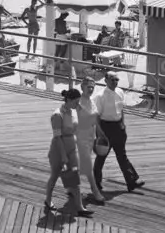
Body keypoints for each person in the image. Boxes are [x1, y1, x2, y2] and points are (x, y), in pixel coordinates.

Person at [44, 88, 92, 218]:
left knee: (74, 177)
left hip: (71, 148)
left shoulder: (73, 110)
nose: (78, 105)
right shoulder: (57, 115)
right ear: (69, 100)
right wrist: (63, 155)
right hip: (58, 150)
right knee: (54, 176)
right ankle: (48, 199)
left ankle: (79, 206)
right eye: (76, 102)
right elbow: (57, 137)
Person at [93, 71, 143, 193]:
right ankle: (96, 183)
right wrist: (99, 133)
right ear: (106, 81)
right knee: (101, 157)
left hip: (118, 127)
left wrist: (123, 125)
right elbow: (96, 116)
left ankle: (131, 182)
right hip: (105, 127)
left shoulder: (120, 92)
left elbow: (121, 110)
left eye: (116, 80)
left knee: (122, 155)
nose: (115, 82)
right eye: (112, 80)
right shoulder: (100, 96)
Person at [76, 77, 106, 205]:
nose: (91, 89)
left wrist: (101, 133)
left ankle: (72, 187)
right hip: (80, 137)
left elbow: (95, 119)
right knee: (88, 166)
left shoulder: (91, 101)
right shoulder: (78, 103)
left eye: (93, 87)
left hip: (91, 137)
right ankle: (95, 191)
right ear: (82, 87)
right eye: (88, 86)